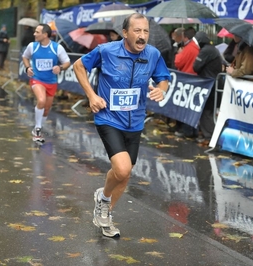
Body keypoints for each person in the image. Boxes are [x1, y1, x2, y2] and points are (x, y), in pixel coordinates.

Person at [73, 13, 170, 238]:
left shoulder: (153, 55)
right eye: (137, 31)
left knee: (124, 174)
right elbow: (79, 66)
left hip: (134, 121)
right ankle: (104, 199)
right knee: (123, 168)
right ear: (125, 33)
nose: (142, 36)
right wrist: (91, 95)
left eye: (145, 31)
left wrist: (161, 89)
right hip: (108, 117)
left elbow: (163, 78)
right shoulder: (107, 51)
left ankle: (105, 214)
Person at [22, 24, 71, 142]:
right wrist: (27, 68)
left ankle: (39, 128)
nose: (34, 34)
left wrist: (60, 67)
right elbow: (25, 57)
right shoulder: (32, 46)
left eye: (37, 32)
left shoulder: (56, 47)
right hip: (37, 79)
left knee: (47, 109)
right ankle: (37, 128)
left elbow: (67, 62)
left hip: (51, 82)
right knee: (41, 100)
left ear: (45, 35)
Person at [192, 31, 223, 146]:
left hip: (209, 84)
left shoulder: (206, 51)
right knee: (209, 111)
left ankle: (210, 137)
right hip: (214, 83)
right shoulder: (213, 49)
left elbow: (196, 66)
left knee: (207, 112)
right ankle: (211, 136)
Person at [173, 27, 200, 138]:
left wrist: (179, 53)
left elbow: (178, 62)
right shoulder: (196, 47)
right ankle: (192, 130)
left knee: (185, 108)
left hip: (186, 80)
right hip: (194, 79)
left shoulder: (188, 48)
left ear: (185, 37)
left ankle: (186, 130)